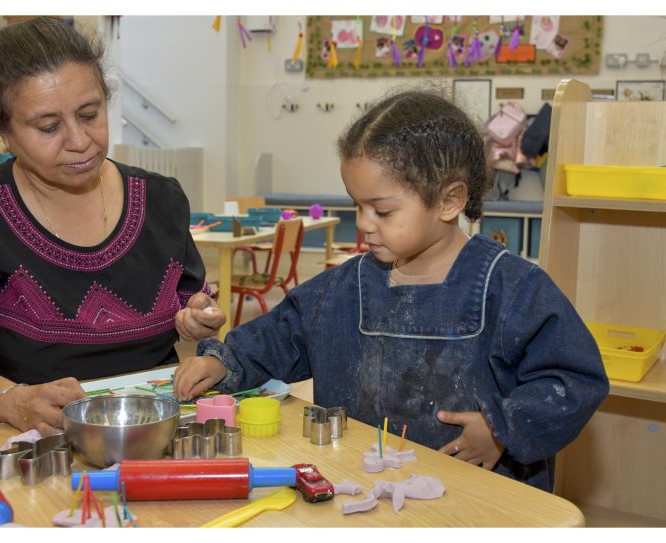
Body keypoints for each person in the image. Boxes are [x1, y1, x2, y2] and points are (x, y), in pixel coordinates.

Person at [174, 89, 609, 492]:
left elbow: (574, 379)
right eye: (356, 205)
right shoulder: (341, 288)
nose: (363, 224)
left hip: (478, 499)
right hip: (363, 490)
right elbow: (280, 336)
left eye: (381, 210)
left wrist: (502, 428)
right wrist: (222, 362)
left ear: (449, 200)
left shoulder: (513, 289)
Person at [0, 17, 225, 436]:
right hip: (33, 438)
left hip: (154, 429)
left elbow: (190, 322)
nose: (79, 140)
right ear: (2, 130)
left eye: (90, 114)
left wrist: (198, 322)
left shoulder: (161, 200)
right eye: (48, 127)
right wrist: (14, 402)